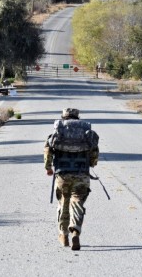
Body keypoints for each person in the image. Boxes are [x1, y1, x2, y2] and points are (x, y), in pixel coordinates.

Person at [44, 108, 99, 251]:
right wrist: (91, 163)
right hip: (82, 175)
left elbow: (48, 148)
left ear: (64, 117)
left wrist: (48, 167)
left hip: (62, 175)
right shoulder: (87, 133)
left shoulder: (59, 131)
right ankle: (75, 230)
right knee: (77, 202)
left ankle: (64, 235)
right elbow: (94, 153)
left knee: (63, 203)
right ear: (77, 117)